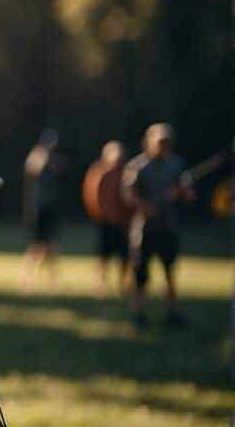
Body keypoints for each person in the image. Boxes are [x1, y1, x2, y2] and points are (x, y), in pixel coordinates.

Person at [122, 123, 195, 327]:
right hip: (144, 229)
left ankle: (172, 313)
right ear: (149, 142)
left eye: (167, 142)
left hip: (168, 227)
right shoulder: (137, 166)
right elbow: (128, 194)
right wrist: (145, 207)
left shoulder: (177, 165)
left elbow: (188, 194)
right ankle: (139, 314)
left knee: (169, 272)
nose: (163, 146)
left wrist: (181, 192)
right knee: (141, 275)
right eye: (160, 142)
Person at [82, 141, 134, 295]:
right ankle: (101, 284)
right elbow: (92, 196)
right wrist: (100, 215)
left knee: (125, 255)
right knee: (103, 255)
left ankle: (123, 284)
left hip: (123, 221)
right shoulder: (99, 173)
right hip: (104, 221)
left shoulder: (127, 173)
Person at [20, 128, 65, 289]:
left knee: (52, 246)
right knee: (36, 247)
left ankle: (53, 281)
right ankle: (26, 279)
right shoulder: (36, 157)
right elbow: (33, 170)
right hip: (38, 208)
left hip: (49, 209)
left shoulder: (52, 160)